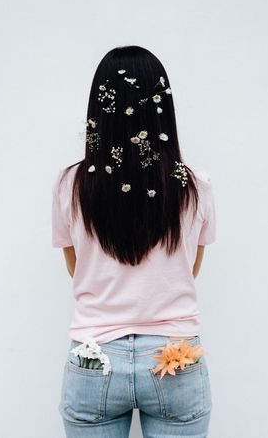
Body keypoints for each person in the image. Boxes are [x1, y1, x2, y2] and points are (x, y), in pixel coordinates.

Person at [52, 45, 216, 438]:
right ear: (162, 108)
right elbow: (190, 266)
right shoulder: (193, 185)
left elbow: (76, 266)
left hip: (95, 355)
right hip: (175, 354)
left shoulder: (70, 184)